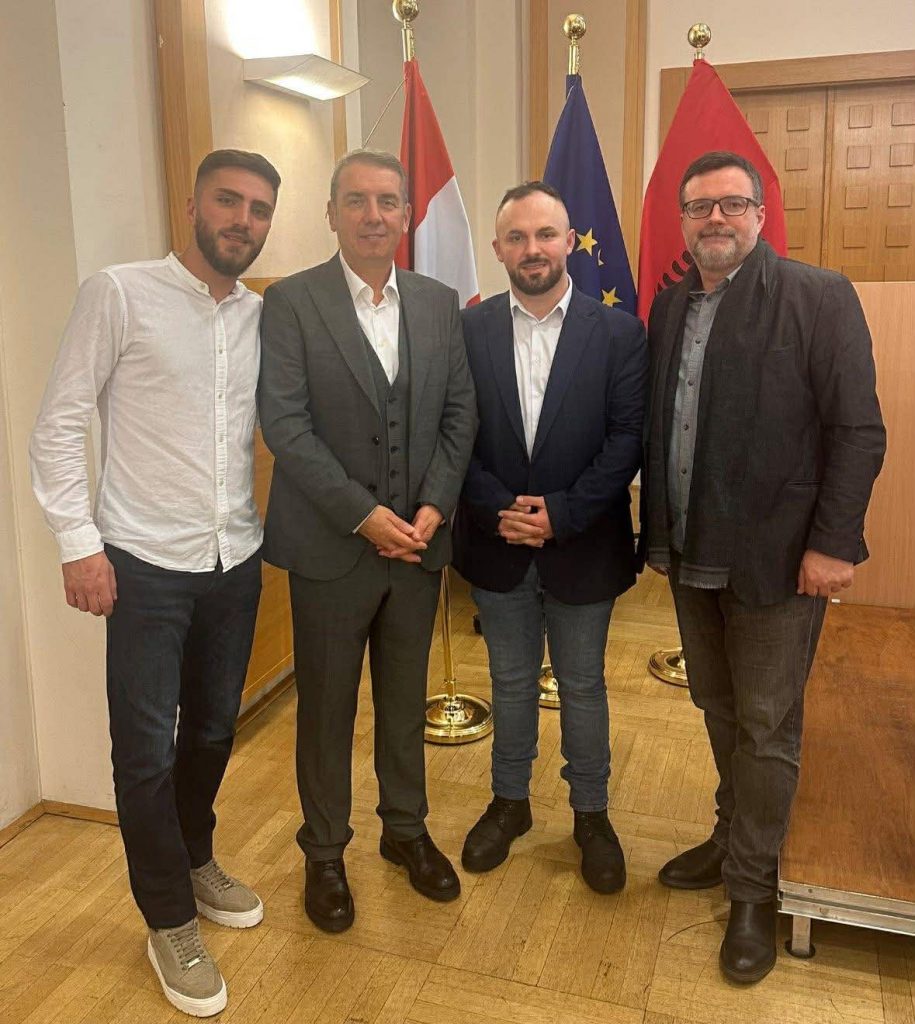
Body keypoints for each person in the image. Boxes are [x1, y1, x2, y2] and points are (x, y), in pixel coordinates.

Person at [30, 149, 281, 1016]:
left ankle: (194, 855)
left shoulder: (262, 317)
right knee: (143, 753)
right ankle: (168, 917)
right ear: (193, 205)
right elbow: (60, 419)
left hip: (233, 559)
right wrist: (78, 543)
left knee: (212, 730)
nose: (241, 220)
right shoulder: (119, 293)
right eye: (228, 201)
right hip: (141, 563)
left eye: (258, 208)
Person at [643, 150, 886, 983]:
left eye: (730, 204)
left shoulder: (818, 296)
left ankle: (753, 888)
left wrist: (833, 542)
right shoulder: (671, 305)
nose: (714, 218)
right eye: (698, 207)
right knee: (716, 705)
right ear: (683, 222)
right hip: (691, 550)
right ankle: (732, 834)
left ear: (758, 213)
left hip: (779, 560)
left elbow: (857, 429)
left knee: (766, 724)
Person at [257, 149, 477, 934]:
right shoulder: (290, 302)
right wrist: (363, 514)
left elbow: (459, 414)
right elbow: (285, 424)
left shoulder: (437, 302)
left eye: (388, 200)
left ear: (408, 214)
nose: (374, 214)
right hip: (330, 549)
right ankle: (323, 852)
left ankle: (405, 831)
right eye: (356, 200)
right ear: (331, 213)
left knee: (403, 700)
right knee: (324, 710)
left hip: (418, 548)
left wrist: (433, 505)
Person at [452, 182, 647, 894]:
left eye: (544, 235)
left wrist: (561, 513)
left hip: (584, 542)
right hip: (495, 540)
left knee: (583, 686)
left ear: (568, 241)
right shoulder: (466, 330)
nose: (531, 249)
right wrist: (499, 507)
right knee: (508, 683)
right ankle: (510, 803)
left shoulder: (619, 333)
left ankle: (591, 815)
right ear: (498, 248)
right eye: (516, 237)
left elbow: (627, 439)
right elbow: (453, 432)